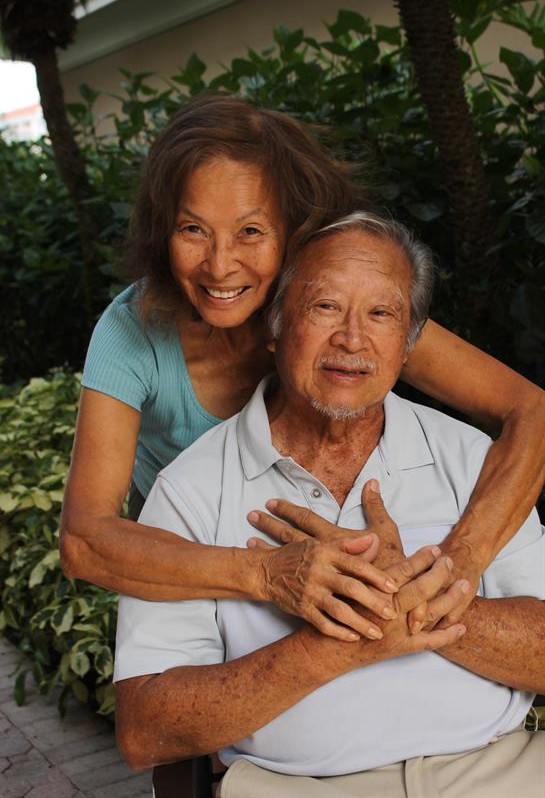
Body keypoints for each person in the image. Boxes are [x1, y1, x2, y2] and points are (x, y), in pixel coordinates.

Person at [60, 95, 545, 637]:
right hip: (196, 583)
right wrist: (269, 575)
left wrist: (461, 561)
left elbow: (532, 411)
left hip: (341, 564)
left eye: (250, 231)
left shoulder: (335, 309)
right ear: (160, 231)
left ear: (293, 229)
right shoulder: (130, 330)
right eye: (192, 229)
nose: (220, 266)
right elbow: (85, 540)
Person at [114, 213, 545, 798]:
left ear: (408, 342)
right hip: (301, 787)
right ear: (274, 326)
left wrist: (416, 599)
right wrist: (338, 641)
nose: (352, 339)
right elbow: (145, 729)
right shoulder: (189, 491)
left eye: (381, 314)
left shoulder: (473, 459)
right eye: (324, 308)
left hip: (501, 771)